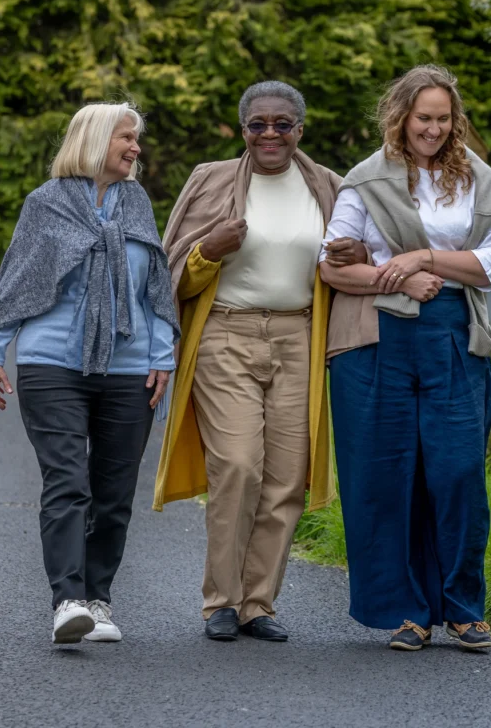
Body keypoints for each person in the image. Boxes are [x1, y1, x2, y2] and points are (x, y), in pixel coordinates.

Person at [154, 81, 365, 643]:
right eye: (258, 125)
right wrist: (208, 252)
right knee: (240, 465)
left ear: (301, 129)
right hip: (225, 333)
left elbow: (361, 258)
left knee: (286, 478)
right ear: (242, 128)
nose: (270, 134)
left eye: (282, 124)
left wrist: (355, 253)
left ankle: (257, 604)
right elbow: (172, 270)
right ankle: (219, 601)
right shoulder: (210, 180)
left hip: (300, 335)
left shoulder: (331, 187)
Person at [320, 64, 491, 651]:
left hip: (455, 333)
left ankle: (463, 608)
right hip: (380, 340)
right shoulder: (366, 180)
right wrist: (394, 280)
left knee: (457, 473)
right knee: (387, 476)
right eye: (422, 118)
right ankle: (406, 611)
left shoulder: (478, 179)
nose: (432, 129)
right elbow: (331, 265)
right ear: (400, 117)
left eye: (443, 118)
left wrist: (425, 258)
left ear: (455, 120)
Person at [0, 101, 179, 644]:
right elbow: (19, 278)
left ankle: (99, 599)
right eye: (127, 138)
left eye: (137, 139)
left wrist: (163, 357)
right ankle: (68, 600)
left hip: (129, 368)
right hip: (52, 365)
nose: (136, 148)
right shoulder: (45, 205)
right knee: (67, 481)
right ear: (94, 140)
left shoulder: (136, 203)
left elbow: (153, 285)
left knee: (113, 492)